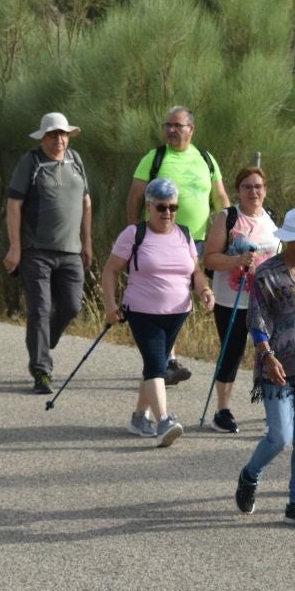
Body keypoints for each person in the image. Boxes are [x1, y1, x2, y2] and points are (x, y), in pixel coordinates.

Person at [234, 208, 295, 528]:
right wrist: (267, 355)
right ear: (290, 240)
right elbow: (257, 319)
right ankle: (250, 476)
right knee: (280, 436)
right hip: (276, 366)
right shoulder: (269, 274)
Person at [102, 178, 215, 448]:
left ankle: (140, 417)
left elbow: (195, 272)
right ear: (149, 206)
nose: (167, 213)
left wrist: (205, 292)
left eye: (173, 207)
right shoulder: (134, 234)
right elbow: (110, 271)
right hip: (142, 311)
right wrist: (109, 305)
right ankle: (164, 421)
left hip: (178, 313)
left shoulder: (184, 234)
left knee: (155, 364)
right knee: (156, 366)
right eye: (161, 207)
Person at [125, 106, 229, 386]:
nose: (171, 130)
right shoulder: (155, 157)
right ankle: (167, 361)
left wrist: (230, 230)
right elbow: (135, 195)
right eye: (167, 125)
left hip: (197, 241)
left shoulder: (206, 159)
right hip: (161, 240)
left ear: (191, 130)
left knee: (188, 298)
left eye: (178, 125)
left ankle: (163, 358)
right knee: (169, 297)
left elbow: (220, 198)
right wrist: (134, 233)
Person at [4, 113, 93, 395]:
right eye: (53, 134)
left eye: (63, 134)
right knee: (40, 311)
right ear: (43, 137)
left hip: (70, 251)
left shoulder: (75, 161)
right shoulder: (30, 163)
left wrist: (87, 242)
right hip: (35, 251)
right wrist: (15, 248)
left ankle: (45, 339)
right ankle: (41, 370)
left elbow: (86, 203)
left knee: (71, 306)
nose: (59, 139)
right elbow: (14, 205)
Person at [201, 165, 279, 433]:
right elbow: (209, 258)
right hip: (231, 300)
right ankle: (222, 410)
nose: (253, 191)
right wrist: (236, 260)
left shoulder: (271, 220)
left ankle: (274, 408)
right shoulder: (228, 217)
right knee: (231, 354)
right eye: (247, 186)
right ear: (238, 190)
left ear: (265, 190)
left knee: (269, 354)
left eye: (258, 186)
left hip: (265, 302)